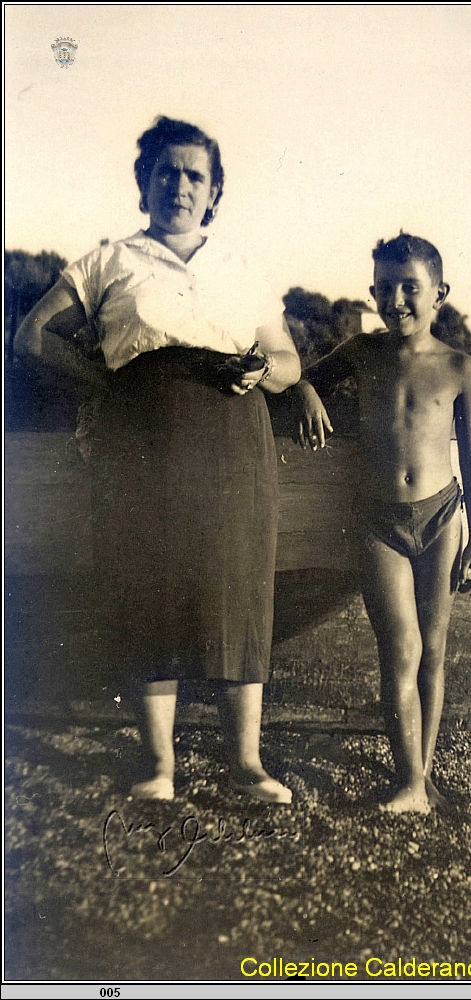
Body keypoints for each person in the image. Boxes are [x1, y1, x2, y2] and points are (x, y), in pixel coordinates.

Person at [14, 116, 301, 804]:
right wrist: (107, 385)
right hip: (140, 442)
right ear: (144, 182)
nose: (179, 185)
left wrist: (261, 369)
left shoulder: (241, 268)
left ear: (213, 192)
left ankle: (248, 764)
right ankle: (158, 768)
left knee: (237, 589)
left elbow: (289, 364)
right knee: (147, 587)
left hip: (234, 445)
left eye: (194, 175)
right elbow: (32, 338)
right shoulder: (109, 259)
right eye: (165, 172)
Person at [294, 233, 471, 813]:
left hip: (441, 516)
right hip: (379, 523)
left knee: (434, 650)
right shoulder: (359, 352)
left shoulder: (460, 367)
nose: (396, 299)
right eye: (384, 288)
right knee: (399, 649)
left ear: (440, 293)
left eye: (411, 288)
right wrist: (306, 391)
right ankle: (409, 784)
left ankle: (419, 781)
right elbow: (302, 376)